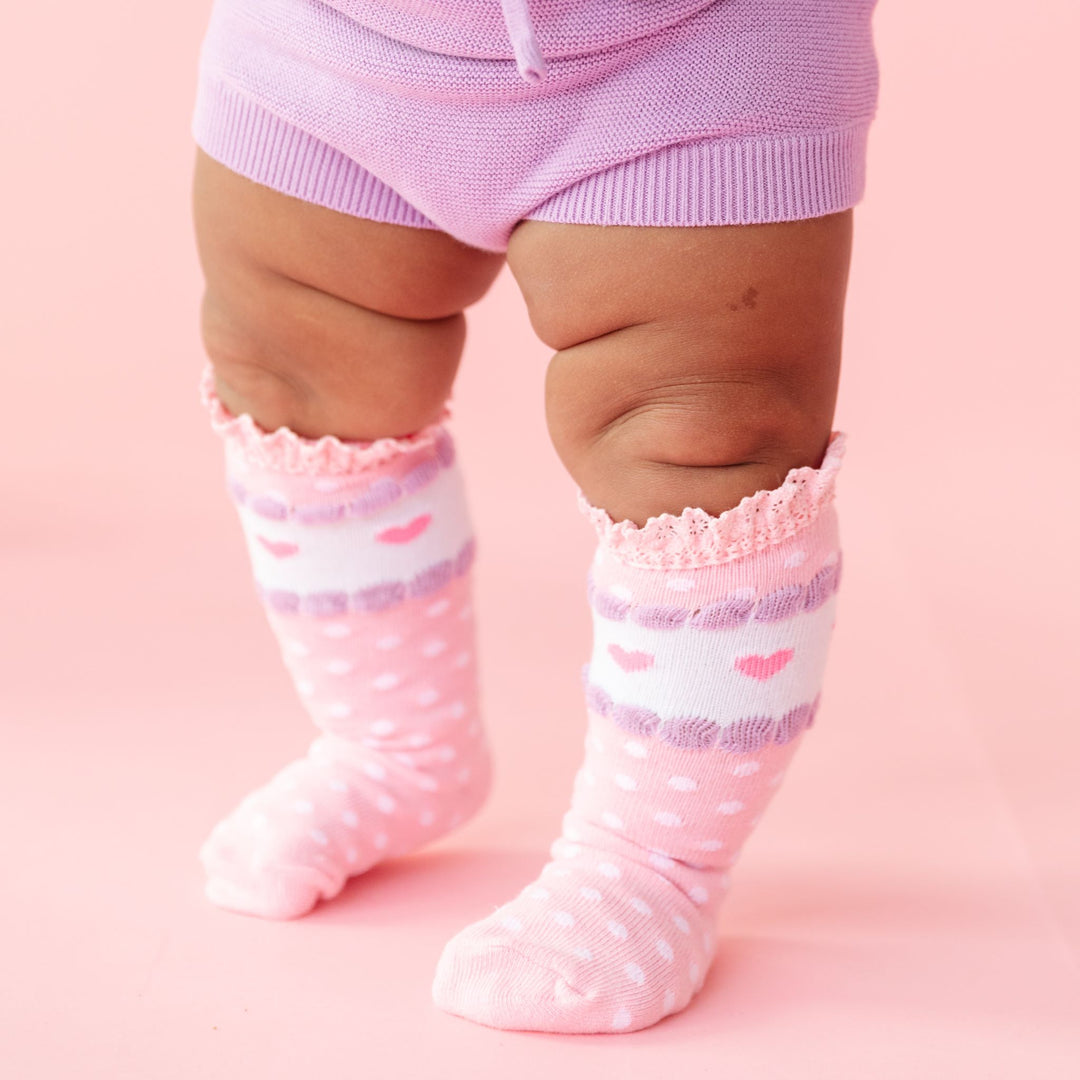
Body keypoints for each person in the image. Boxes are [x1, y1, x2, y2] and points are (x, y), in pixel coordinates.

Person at [189, 0, 879, 1034]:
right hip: (323, 42)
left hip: (694, 57)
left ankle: (654, 863)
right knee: (293, 368)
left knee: (703, 441)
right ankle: (396, 747)